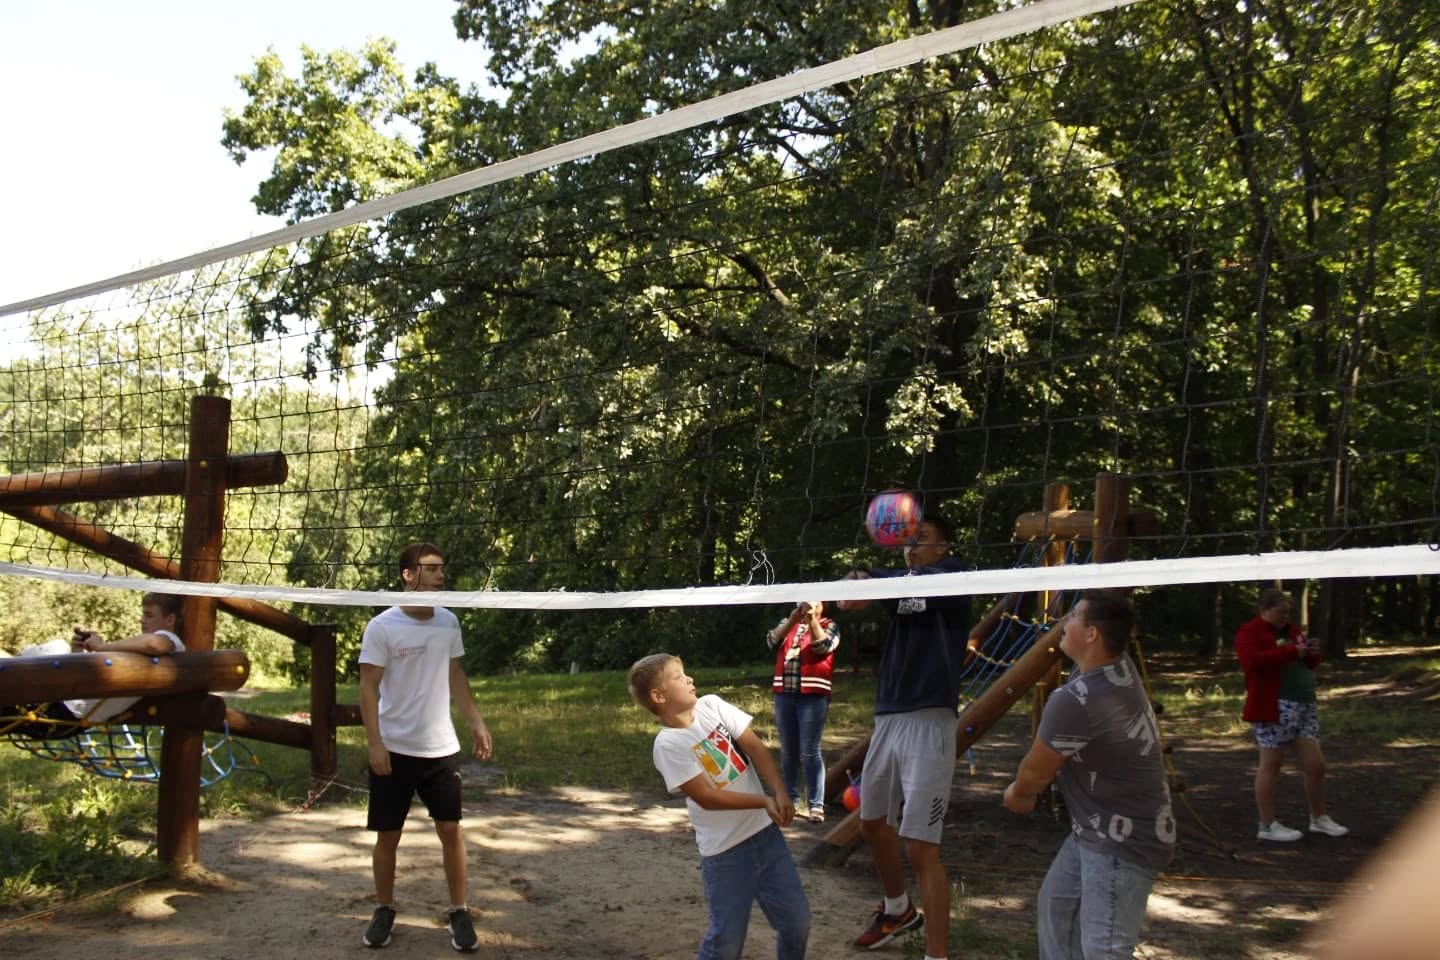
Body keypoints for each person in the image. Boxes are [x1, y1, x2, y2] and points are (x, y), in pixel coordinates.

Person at [1003, 590, 1175, 960]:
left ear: (1093, 633)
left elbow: (1034, 773)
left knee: (1105, 948)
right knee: (1058, 909)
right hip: (1098, 828)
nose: (1063, 623)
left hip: (1122, 839)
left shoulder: (1077, 698)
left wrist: (1018, 794)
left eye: (1074, 616)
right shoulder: (1118, 667)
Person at [835, 514, 971, 959]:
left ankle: (937, 954)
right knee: (872, 823)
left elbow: (901, 584)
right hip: (890, 718)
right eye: (908, 540)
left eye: (923, 538)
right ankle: (898, 910)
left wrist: (867, 578)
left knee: (920, 846)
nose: (912, 546)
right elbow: (863, 592)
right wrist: (856, 584)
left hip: (930, 721)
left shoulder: (953, 576)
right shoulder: (900, 587)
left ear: (943, 548)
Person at [627, 652, 811, 960]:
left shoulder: (711, 705)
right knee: (726, 944)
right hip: (725, 853)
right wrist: (764, 800)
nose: (689, 679)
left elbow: (754, 746)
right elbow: (706, 797)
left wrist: (779, 791)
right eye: (678, 677)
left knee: (797, 924)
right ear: (659, 696)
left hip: (766, 838)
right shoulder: (668, 744)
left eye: (685, 673)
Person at [358, 543, 493, 953]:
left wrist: (475, 720)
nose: (440, 575)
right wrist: (375, 743)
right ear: (408, 575)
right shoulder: (382, 626)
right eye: (431, 569)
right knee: (388, 835)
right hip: (395, 748)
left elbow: (455, 674)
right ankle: (384, 908)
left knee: (450, 829)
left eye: (441, 568)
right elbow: (368, 687)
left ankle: (458, 911)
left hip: (440, 748)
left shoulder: (448, 621)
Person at [1235, 588, 1348, 842]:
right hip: (1273, 706)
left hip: (1304, 703)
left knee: (1316, 765)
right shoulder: (1249, 632)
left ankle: (1319, 818)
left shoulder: (1292, 631)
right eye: (1281, 612)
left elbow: (1308, 663)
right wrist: (1290, 652)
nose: (1285, 617)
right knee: (1271, 765)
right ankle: (1267, 825)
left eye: (1288, 612)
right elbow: (1252, 662)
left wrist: (1312, 652)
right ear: (1264, 609)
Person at [4, 592, 185, 737]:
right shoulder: (145, 652)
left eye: (149, 615)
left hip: (60, 714)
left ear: (170, 620)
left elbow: (154, 643)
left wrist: (102, 647)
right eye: (143, 614)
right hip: (59, 709)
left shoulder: (169, 641)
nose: (142, 620)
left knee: (57, 646)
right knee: (58, 648)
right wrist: (78, 653)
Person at [766, 600, 840, 823]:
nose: (807, 605)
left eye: (814, 601)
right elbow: (771, 642)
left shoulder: (829, 625)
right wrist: (792, 620)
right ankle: (792, 800)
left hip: (813, 696)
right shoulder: (788, 623)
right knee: (788, 750)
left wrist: (812, 620)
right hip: (784, 694)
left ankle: (816, 805)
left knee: (809, 751)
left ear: (822, 605)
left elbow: (823, 646)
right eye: (804, 601)